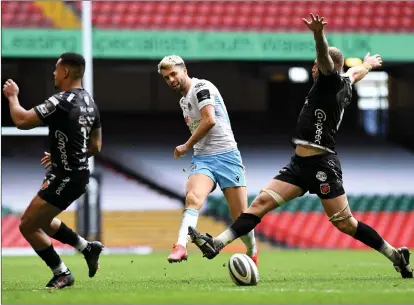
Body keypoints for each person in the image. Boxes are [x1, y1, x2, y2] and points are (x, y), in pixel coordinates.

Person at [188, 14, 412, 279]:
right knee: (259, 203)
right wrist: (368, 63)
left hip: (322, 165)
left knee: (345, 223)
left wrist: (318, 36)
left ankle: (394, 255)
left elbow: (328, 59)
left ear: (326, 66)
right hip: (299, 165)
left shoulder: (329, 81)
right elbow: (355, 72)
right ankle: (217, 244)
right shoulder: (344, 82)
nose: (314, 68)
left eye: (316, 64)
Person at [3, 52, 105, 289]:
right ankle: (87, 248)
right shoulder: (90, 103)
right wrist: (64, 154)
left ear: (65, 72)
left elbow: (22, 120)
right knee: (45, 221)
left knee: (28, 224)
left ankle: (62, 272)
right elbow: (96, 146)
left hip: (66, 176)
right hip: (76, 174)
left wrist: (12, 97)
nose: (53, 73)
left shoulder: (61, 100)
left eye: (56, 69)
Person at [157, 55, 258, 265]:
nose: (171, 80)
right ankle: (180, 246)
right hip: (203, 158)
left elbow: (209, 120)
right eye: (166, 78)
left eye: (174, 74)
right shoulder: (183, 100)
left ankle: (252, 250)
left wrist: (186, 145)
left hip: (227, 155)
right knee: (193, 198)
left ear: (184, 70)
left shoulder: (201, 87)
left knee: (241, 218)